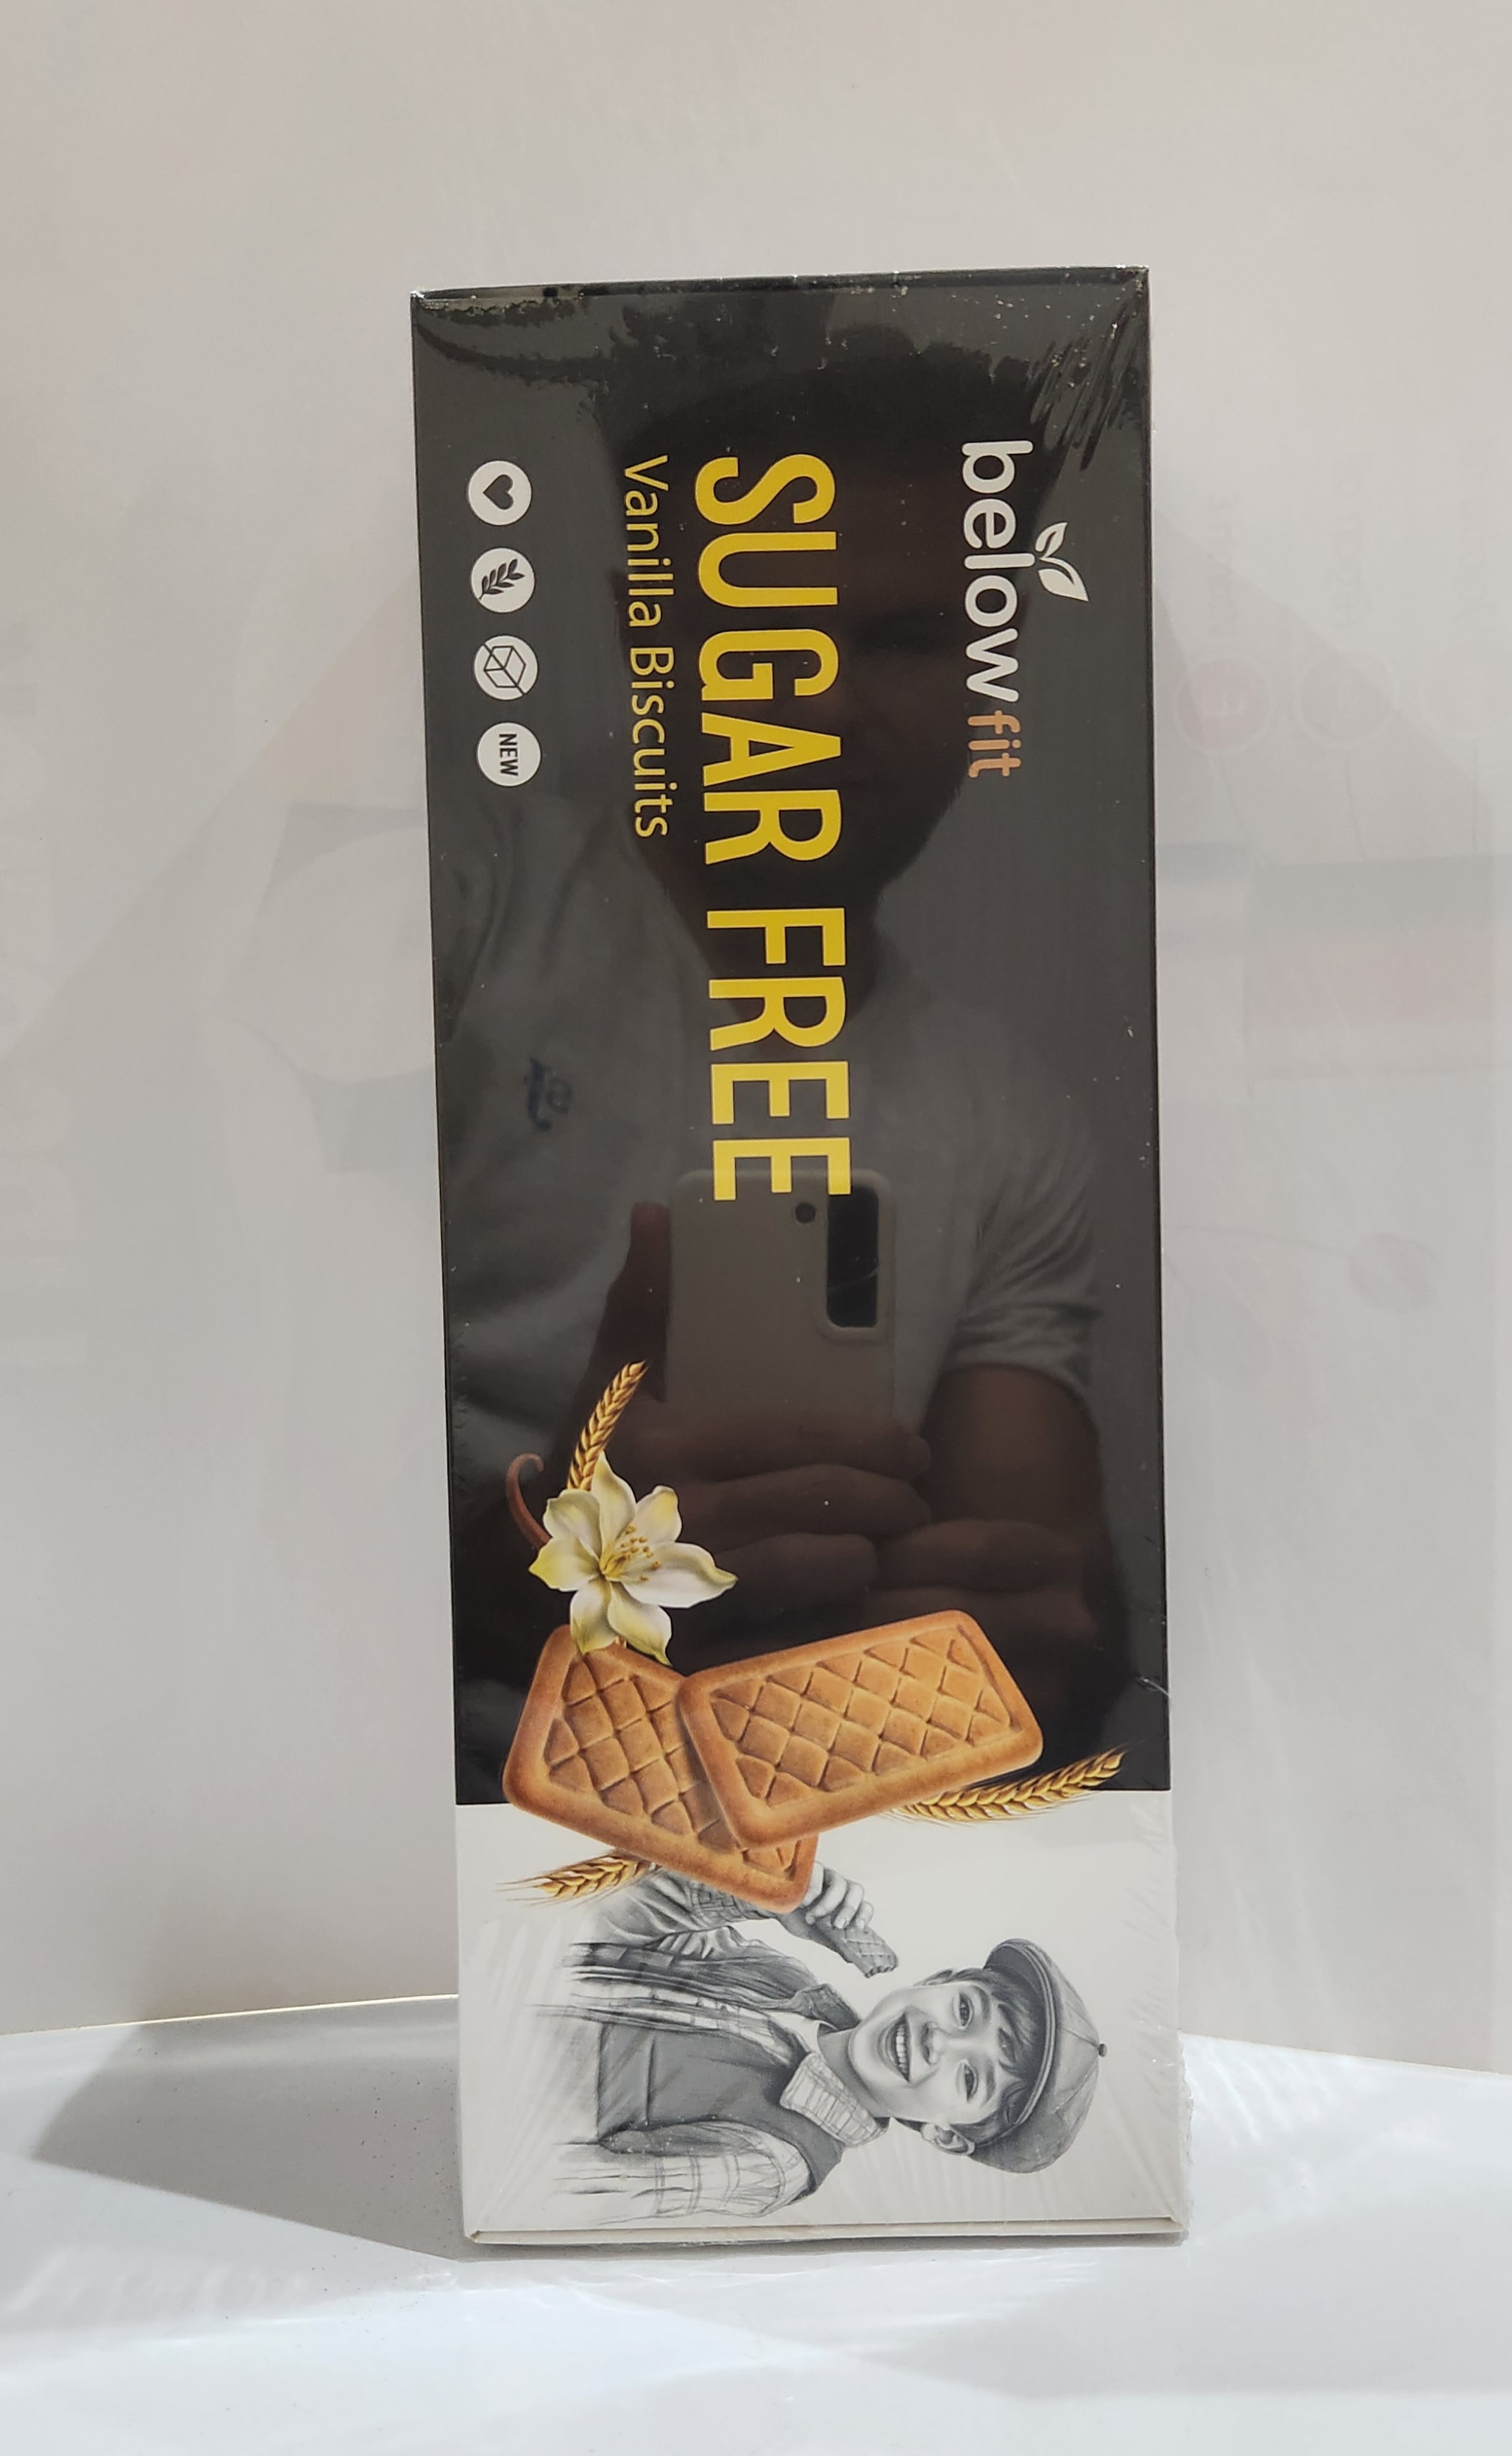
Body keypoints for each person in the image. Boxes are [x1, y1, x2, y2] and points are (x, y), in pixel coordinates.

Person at [440, 331, 1132, 1792]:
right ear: (650, 641)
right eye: (771, 627)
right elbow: (197, 1484)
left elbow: (1053, 1616)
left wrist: (1035, 1653)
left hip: (806, 1825)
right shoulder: (462, 907)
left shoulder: (1012, 1122)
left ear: (988, 670)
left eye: (905, 638)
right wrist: (539, 1574)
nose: (821, 701)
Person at [546, 1861, 1105, 2221]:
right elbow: (604, 1926)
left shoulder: (778, 2161)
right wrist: (765, 1894)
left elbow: (560, 2185)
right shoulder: (786, 1981)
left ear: (944, 2135)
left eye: (969, 2078)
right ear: (936, 1981)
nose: (939, 2041)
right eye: (964, 2011)